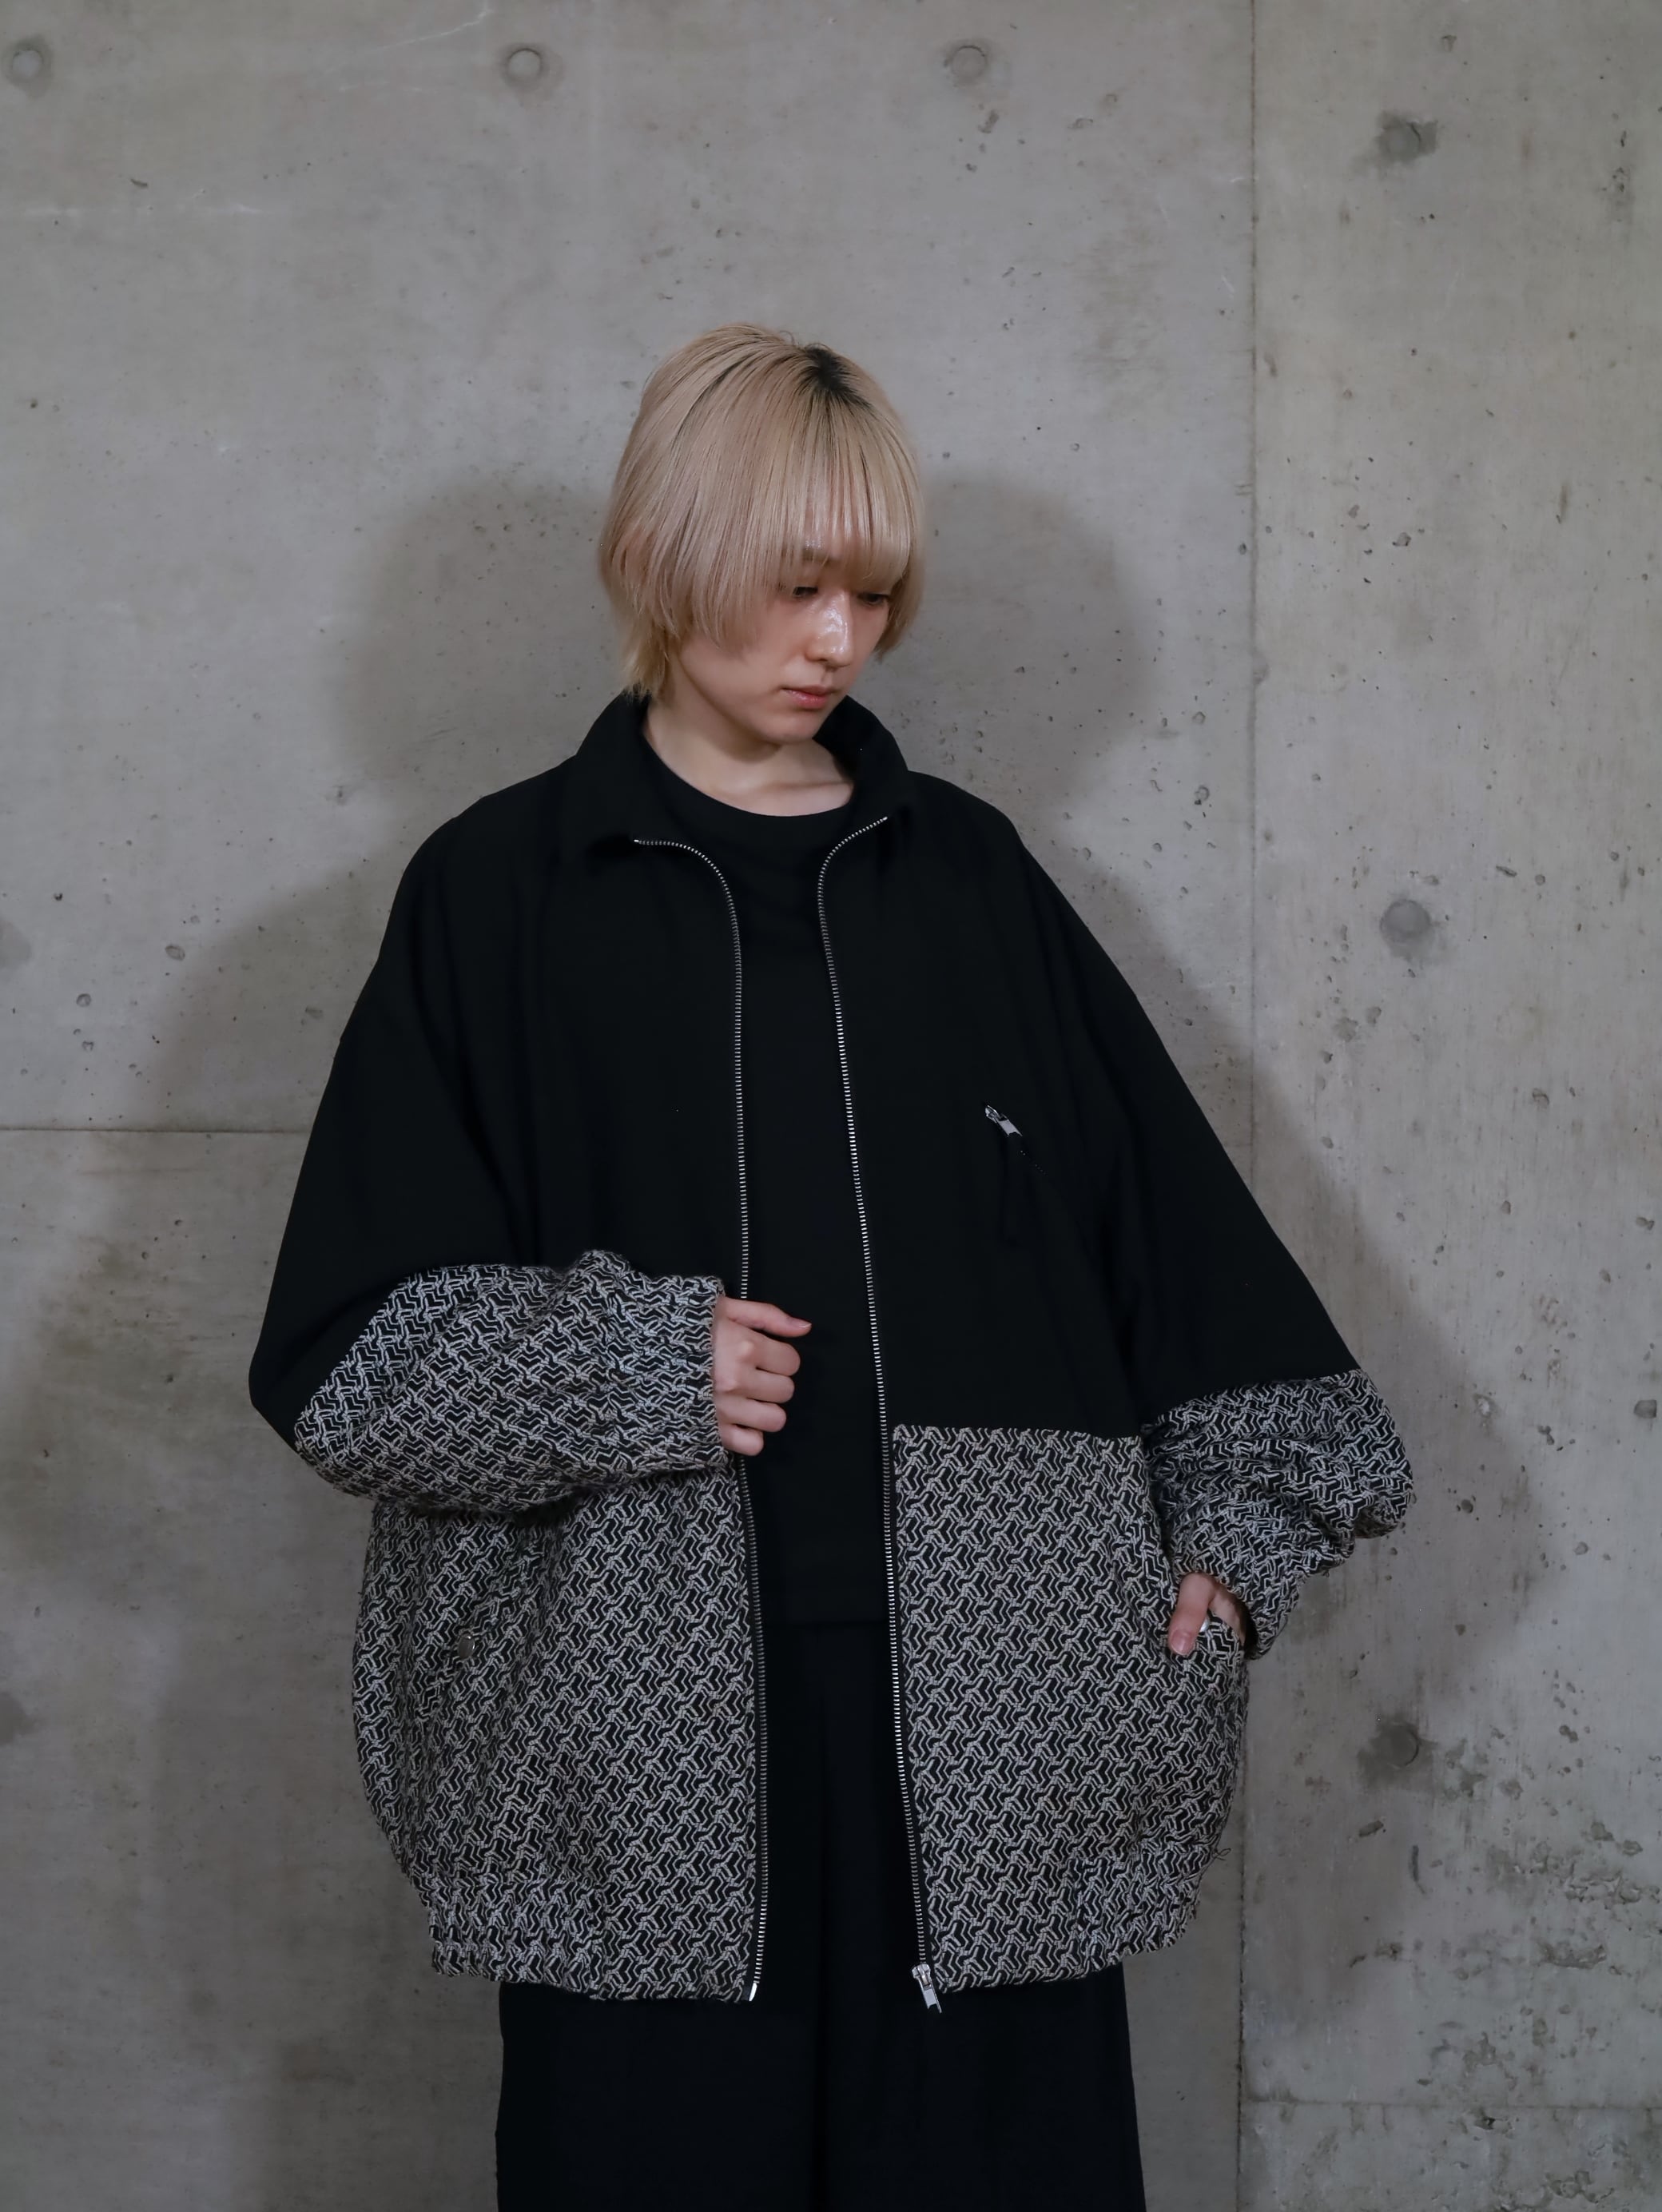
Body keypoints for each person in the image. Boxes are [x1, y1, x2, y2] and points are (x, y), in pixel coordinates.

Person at [248, 323, 1414, 2209]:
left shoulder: (970, 884)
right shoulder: (501, 893)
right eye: (794, 584)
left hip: (1002, 1741)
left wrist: (1233, 1537)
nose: (836, 638)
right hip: (625, 1755)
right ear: (665, 557)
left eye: (869, 594)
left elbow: (1184, 1258)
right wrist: (636, 1368)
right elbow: (344, 1356)